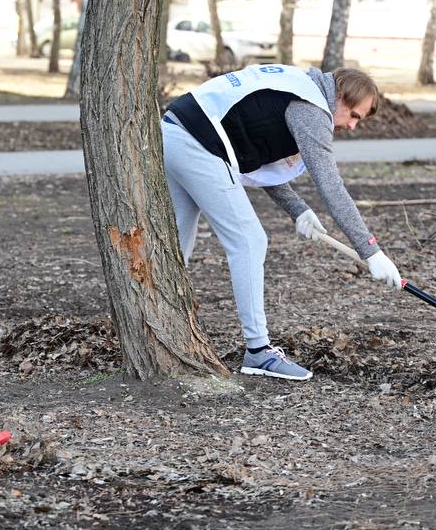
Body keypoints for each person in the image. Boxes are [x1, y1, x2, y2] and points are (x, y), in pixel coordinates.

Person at [162, 63, 402, 381]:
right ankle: (259, 352)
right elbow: (331, 186)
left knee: (177, 241)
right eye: (354, 115)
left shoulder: (299, 86)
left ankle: (157, 328)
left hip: (174, 129)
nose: (352, 126)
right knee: (249, 241)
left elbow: (256, 152)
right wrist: (370, 250)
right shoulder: (312, 108)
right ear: (342, 97)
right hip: (199, 143)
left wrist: (298, 209)